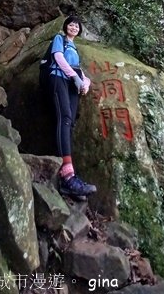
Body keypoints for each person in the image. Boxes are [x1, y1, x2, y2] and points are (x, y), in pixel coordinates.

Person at [48, 15, 97, 199]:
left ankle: (70, 177)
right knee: (65, 118)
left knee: (70, 123)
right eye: (71, 24)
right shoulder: (59, 39)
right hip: (58, 77)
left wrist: (85, 82)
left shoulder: (75, 48)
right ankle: (67, 176)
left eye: (77, 25)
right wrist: (75, 78)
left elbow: (77, 68)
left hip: (71, 84)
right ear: (66, 26)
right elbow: (59, 58)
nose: (74, 27)